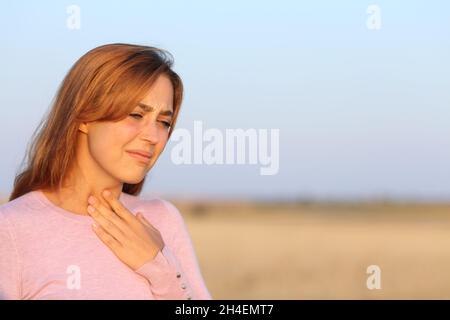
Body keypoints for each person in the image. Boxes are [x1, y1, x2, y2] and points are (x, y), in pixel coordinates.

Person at [0, 43, 212, 300]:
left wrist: (160, 267)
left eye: (164, 122)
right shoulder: (10, 229)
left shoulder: (162, 219)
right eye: (136, 115)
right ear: (84, 116)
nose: (153, 136)